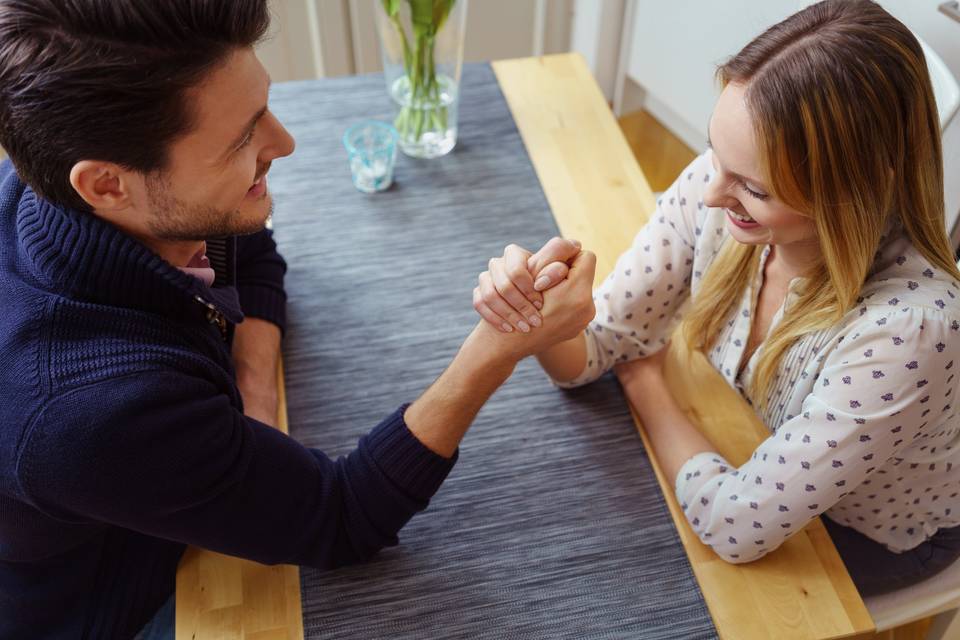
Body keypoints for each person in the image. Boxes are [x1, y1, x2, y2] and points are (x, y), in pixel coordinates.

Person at [0, 1, 596, 637]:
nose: (285, 143)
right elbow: (341, 519)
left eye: (263, 108)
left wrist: (253, 388)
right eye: (242, 140)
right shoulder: (88, 413)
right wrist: (499, 345)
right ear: (107, 185)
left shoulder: (99, 197)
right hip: (115, 598)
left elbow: (250, 243)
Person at [478, 0, 960, 597]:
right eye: (715, 152)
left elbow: (737, 527)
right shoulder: (722, 188)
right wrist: (542, 321)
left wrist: (645, 386)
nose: (709, 193)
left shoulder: (910, 332)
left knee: (625, 570)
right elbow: (602, 347)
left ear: (851, 190)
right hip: (755, 447)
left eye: (754, 187)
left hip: (866, 534)